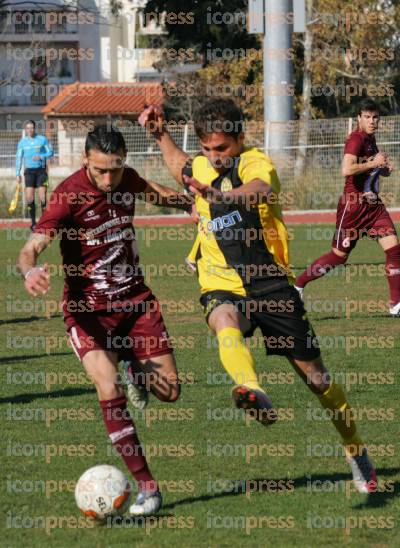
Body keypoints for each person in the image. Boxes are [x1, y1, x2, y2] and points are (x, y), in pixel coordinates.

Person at [139, 98, 377, 493]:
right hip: (221, 283)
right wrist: (161, 134)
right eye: (208, 149)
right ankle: (253, 389)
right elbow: (183, 166)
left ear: (239, 139)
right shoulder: (200, 163)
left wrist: (222, 199)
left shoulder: (254, 163)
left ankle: (356, 452)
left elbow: (259, 189)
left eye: (222, 149)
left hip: (271, 285)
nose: (214, 158)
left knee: (319, 382)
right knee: (222, 319)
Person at [16, 124, 193, 516]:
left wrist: (191, 204)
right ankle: (148, 487)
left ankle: (134, 366)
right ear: (85, 161)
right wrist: (29, 271)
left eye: (115, 169)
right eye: (101, 171)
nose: (109, 178)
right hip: (87, 312)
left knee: (171, 392)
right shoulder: (67, 196)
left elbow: (156, 193)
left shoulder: (126, 178)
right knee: (107, 387)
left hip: (136, 303)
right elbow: (33, 245)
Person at [295, 98, 400, 316]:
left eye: (375, 117)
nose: (372, 121)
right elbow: (347, 169)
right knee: (339, 256)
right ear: (360, 118)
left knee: (394, 249)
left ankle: (396, 305)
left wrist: (383, 169)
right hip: (353, 208)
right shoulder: (356, 139)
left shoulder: (371, 140)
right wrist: (373, 163)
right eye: (367, 117)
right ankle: (298, 284)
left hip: (373, 207)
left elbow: (369, 169)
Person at [16, 120, 54, 230]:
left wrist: (41, 156)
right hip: (29, 172)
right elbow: (18, 157)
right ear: (25, 129)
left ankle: (44, 222)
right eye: (27, 128)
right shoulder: (22, 142)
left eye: (31, 128)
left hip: (41, 171)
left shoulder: (42, 139)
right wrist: (17, 173)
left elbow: (51, 152)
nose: (30, 130)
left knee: (42, 196)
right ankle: (33, 223)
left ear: (35, 128)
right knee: (29, 197)